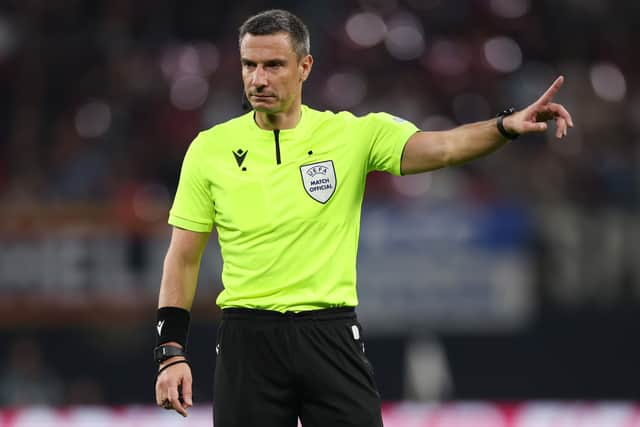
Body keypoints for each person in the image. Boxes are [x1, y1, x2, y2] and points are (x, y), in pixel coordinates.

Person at [153, 8, 573, 427]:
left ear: (305, 67)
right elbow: (183, 257)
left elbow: (443, 148)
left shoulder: (353, 135)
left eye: (273, 65)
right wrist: (171, 352)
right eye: (250, 65)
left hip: (329, 332)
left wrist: (506, 126)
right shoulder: (210, 149)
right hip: (248, 338)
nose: (258, 79)